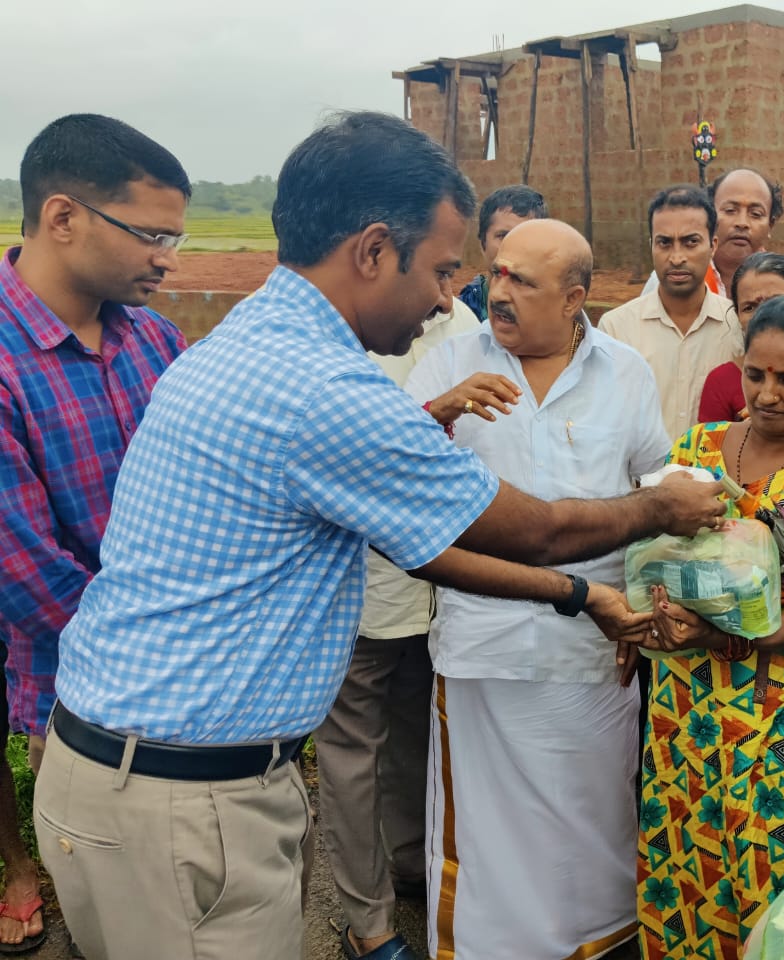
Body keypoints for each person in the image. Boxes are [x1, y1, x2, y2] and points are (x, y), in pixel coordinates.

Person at [32, 111, 725, 960]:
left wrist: (583, 595)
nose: (450, 298)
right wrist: (658, 510)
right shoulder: (325, 389)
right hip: (183, 802)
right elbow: (538, 531)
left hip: (145, 775)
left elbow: (422, 543)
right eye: (441, 270)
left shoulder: (251, 340)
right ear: (370, 252)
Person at [404, 218, 669, 960]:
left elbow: (652, 498)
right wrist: (445, 409)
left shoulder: (627, 372)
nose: (500, 290)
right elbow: (393, 479)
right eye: (497, 272)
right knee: (487, 852)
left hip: (595, 651)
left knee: (592, 833)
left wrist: (645, 614)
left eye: (523, 279)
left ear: (575, 296)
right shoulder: (448, 362)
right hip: (483, 652)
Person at [0, 113, 191, 953]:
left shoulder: (154, 338)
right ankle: (22, 871)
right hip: (77, 666)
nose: (168, 258)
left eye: (175, 237)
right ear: (63, 217)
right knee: (103, 884)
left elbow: (202, 493)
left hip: (160, 656)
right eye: (150, 234)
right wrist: (167, 654)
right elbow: (25, 570)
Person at [636, 295, 784, 959]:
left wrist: (719, 637)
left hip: (779, 708)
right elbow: (657, 553)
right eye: (756, 375)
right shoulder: (695, 450)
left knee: (778, 865)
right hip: (685, 707)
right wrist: (655, 611)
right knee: (686, 860)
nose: (768, 394)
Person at [311, 296, 480, 958]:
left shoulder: (463, 329)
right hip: (361, 593)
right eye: (435, 266)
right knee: (352, 752)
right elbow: (354, 454)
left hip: (439, 595)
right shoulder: (340, 337)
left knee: (417, 732)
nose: (446, 285)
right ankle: (369, 921)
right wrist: (435, 414)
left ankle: (412, 863)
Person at [601, 184, 739, 440]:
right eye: (665, 243)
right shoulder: (616, 329)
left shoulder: (737, 326)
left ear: (713, 246)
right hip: (640, 480)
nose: (677, 257)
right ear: (651, 245)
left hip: (714, 478)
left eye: (690, 242)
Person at [698, 252, 784, 424]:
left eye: (776, 303)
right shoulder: (722, 382)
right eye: (749, 307)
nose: (763, 316)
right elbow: (708, 448)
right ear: (737, 315)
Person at [640, 167, 783, 298]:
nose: (742, 223)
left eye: (756, 214)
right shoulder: (670, 278)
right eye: (730, 210)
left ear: (770, 225)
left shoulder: (782, 284)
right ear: (710, 217)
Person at [455, 184, 547, 321]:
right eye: (503, 236)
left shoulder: (557, 314)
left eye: (526, 236)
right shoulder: (461, 317)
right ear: (483, 243)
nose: (514, 246)